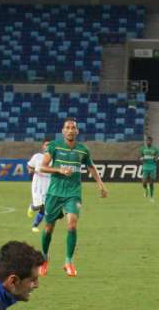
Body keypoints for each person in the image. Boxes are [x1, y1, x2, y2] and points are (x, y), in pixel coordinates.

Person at [37, 118, 108, 277]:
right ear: (63, 131)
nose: (70, 130)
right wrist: (59, 170)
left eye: (73, 128)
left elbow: (91, 167)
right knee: (48, 228)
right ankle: (44, 259)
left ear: (77, 131)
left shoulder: (83, 150)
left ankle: (68, 262)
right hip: (54, 193)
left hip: (73, 193)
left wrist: (101, 185)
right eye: (67, 128)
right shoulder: (54, 146)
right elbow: (42, 167)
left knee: (72, 225)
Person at [26, 136, 51, 233]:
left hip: (48, 185)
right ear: (43, 146)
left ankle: (35, 225)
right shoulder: (37, 157)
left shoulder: (54, 159)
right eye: (46, 145)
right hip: (37, 185)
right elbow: (29, 166)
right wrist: (30, 170)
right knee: (38, 205)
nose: (48, 147)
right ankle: (32, 206)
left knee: (44, 208)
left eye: (50, 145)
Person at [139, 135, 159, 202]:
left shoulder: (155, 149)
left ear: (151, 142)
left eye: (149, 141)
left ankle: (152, 197)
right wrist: (142, 159)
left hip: (152, 167)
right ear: (146, 141)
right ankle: (146, 190)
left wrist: (156, 158)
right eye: (147, 141)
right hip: (145, 167)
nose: (148, 142)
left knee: (151, 183)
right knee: (144, 183)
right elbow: (140, 157)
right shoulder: (142, 149)